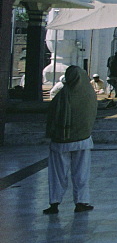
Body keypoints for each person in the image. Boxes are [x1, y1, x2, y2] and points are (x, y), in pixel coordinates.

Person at [43, 65, 98, 214]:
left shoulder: (62, 95)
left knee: (57, 174)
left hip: (61, 140)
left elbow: (52, 116)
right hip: (82, 139)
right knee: (81, 173)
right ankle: (81, 201)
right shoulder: (89, 94)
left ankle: (54, 203)